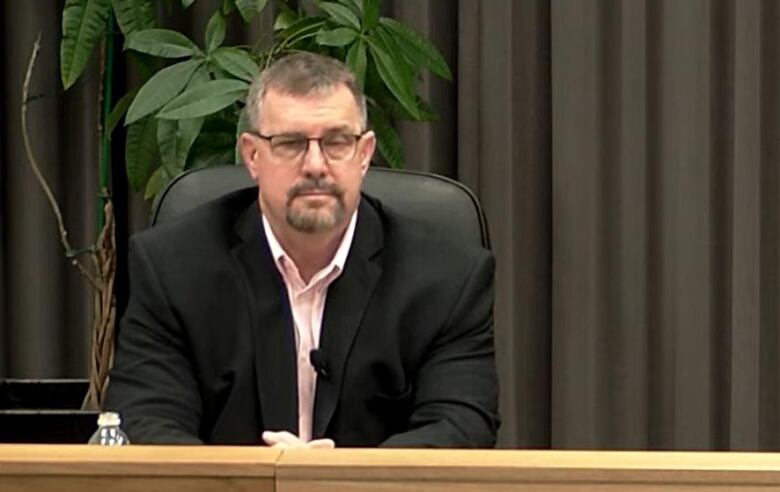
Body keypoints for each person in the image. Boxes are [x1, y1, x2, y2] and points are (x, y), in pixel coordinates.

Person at [105, 52, 499, 448]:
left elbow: (461, 428)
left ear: (364, 155)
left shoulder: (448, 278)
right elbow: (146, 424)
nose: (315, 164)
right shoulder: (172, 268)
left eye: (337, 142)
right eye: (291, 143)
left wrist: (335, 482)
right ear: (252, 156)